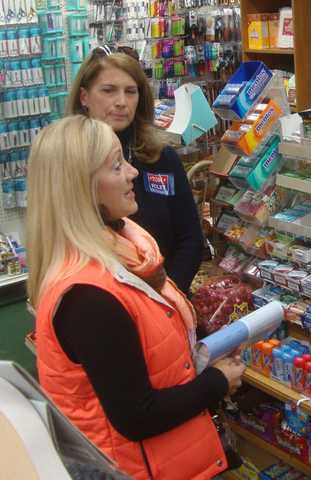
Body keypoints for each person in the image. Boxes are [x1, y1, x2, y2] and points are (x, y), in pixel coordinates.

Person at [27, 115, 246, 480]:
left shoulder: (126, 253)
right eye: (116, 166)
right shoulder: (88, 296)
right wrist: (217, 382)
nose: (133, 173)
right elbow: (137, 416)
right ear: (82, 187)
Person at [66, 46, 203, 294]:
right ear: (84, 97)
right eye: (108, 90)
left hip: (167, 299)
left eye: (131, 92)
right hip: (99, 304)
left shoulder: (161, 158)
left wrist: (165, 295)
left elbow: (190, 239)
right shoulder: (67, 162)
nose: (121, 102)